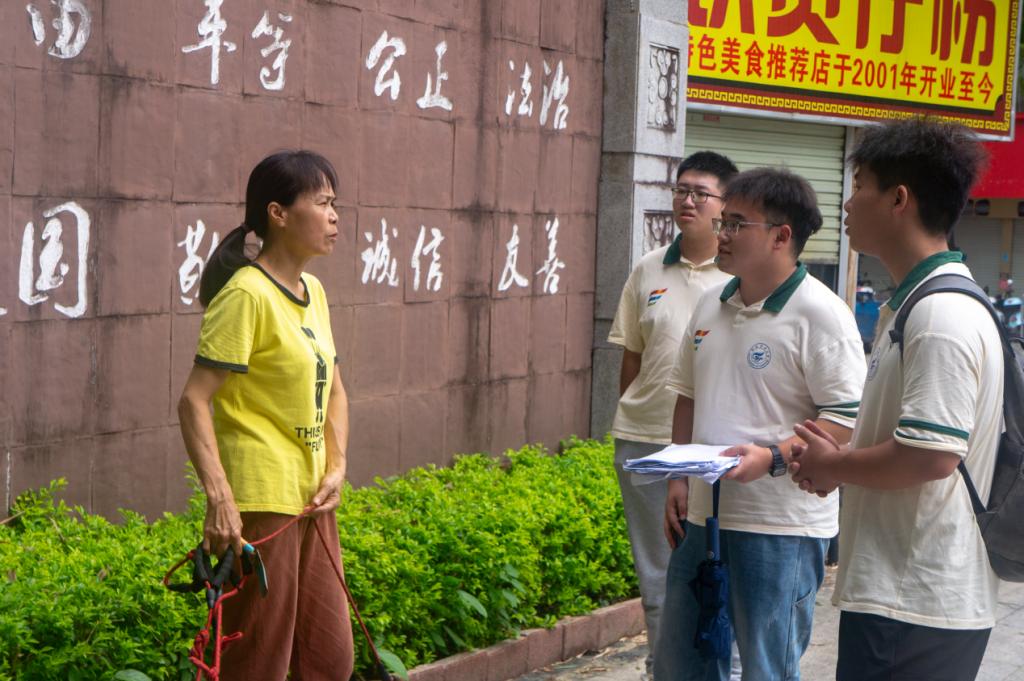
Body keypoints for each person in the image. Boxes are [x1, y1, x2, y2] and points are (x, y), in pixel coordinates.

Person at [789, 118, 999, 681]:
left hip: (915, 600)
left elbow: (931, 455)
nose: (848, 202)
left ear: (899, 199)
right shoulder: (917, 306)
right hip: (905, 595)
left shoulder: (940, 315)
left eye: (860, 185)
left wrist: (836, 466)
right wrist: (837, 459)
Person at [654, 168, 866, 681]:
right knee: (682, 664)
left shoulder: (822, 314)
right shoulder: (711, 303)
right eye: (723, 222)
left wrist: (771, 458)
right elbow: (688, 395)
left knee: (766, 668)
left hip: (780, 527)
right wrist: (678, 477)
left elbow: (845, 419)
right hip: (703, 517)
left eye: (736, 224)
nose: (722, 234)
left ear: (780, 236)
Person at [177, 150, 354, 680]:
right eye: (322, 203)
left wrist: (337, 466)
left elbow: (335, 391)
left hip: (312, 499)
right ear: (278, 213)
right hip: (262, 503)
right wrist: (220, 499)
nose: (334, 216)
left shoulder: (313, 292)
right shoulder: (246, 295)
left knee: (328, 658)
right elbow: (193, 400)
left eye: (335, 204)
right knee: (257, 662)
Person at [608, 151, 738, 678]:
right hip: (644, 440)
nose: (687, 200)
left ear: (725, 206)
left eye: (700, 193)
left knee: (715, 569)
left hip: (710, 447)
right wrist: (636, 416)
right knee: (657, 575)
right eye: (681, 190)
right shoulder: (648, 268)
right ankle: (660, 669)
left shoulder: (737, 276)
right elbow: (631, 357)